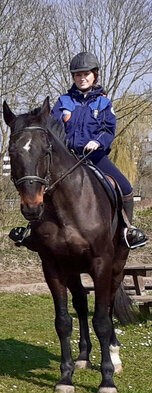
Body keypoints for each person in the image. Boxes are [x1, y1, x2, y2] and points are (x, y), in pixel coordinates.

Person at [9, 51, 147, 249]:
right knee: (41, 185)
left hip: (95, 157)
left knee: (125, 188)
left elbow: (108, 129)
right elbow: (51, 129)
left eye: (86, 74)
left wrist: (98, 142)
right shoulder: (63, 102)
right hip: (68, 158)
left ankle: (127, 230)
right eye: (78, 75)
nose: (82, 78)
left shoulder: (103, 102)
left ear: (94, 76)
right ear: (73, 77)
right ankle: (32, 228)